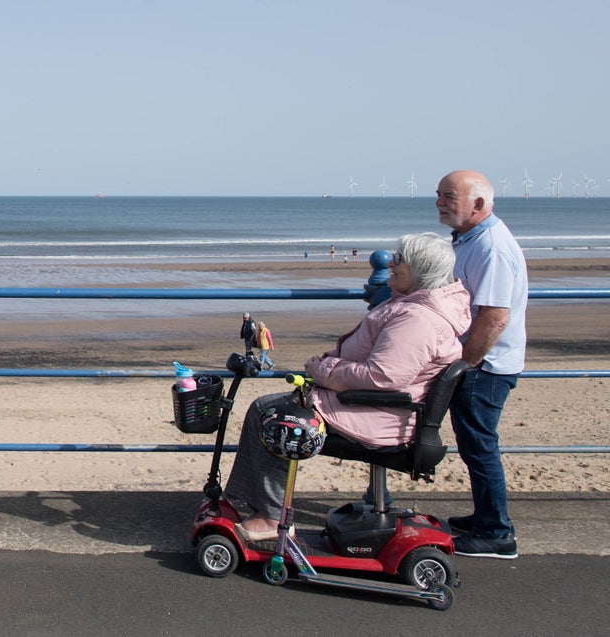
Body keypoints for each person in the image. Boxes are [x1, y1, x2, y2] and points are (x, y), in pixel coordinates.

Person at [225, 233, 469, 540]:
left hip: (379, 416)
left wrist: (323, 369)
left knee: (272, 416)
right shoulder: (416, 307)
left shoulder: (416, 319)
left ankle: (272, 517)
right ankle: (257, 506)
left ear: (420, 270)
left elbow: (382, 377)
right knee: (265, 407)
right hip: (376, 409)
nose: (391, 264)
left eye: (399, 260)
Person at [436, 170, 528, 559]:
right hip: (481, 363)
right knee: (475, 445)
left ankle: (496, 532)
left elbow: (493, 317)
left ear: (478, 204)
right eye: (438, 195)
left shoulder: (491, 246)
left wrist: (464, 364)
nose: (439, 203)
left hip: (485, 367)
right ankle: (485, 518)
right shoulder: (470, 238)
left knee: (479, 445)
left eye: (448, 196)